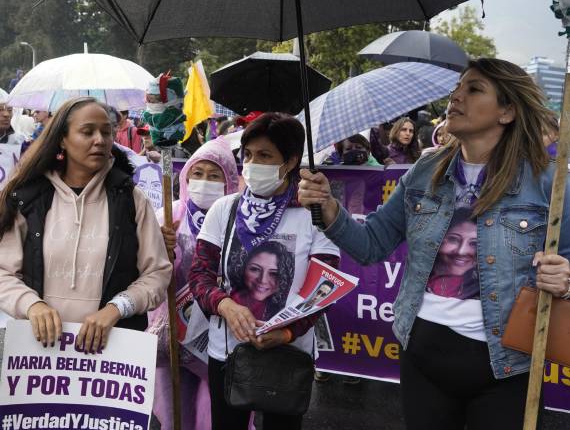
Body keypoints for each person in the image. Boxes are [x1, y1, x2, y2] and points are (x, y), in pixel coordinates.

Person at [298, 58, 570, 430]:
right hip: (422, 355)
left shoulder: (549, 183)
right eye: (458, 88)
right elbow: (370, 245)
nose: (456, 96)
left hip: (506, 365)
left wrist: (564, 279)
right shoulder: (424, 172)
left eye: (474, 89)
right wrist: (329, 207)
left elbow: (565, 267)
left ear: (507, 111)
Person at [189, 112, 339, 430]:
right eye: (248, 154)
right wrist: (225, 306)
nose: (252, 163)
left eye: (265, 155)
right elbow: (200, 274)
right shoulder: (224, 209)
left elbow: (325, 287)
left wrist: (287, 332)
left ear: (290, 161)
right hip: (227, 353)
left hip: (289, 355)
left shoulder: (314, 215)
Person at [0, 97, 171, 353]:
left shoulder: (131, 199)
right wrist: (32, 305)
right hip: (38, 354)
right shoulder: (28, 199)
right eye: (87, 132)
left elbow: (157, 273)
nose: (99, 140)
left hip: (111, 357)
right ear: (62, 139)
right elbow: (3, 273)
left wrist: (117, 308)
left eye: (106, 132)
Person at [147, 136, 239, 430]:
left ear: (229, 181)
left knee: (217, 410)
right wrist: (162, 249)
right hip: (174, 329)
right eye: (197, 173)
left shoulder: (239, 219)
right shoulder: (168, 215)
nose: (204, 182)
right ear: (185, 177)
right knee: (176, 408)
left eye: (214, 176)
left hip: (220, 330)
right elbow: (147, 271)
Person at [228, 240, 295, 320]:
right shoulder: (232, 300)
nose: (263, 280)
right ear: (242, 268)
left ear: (284, 277)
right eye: (255, 269)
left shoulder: (287, 302)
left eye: (274, 273)